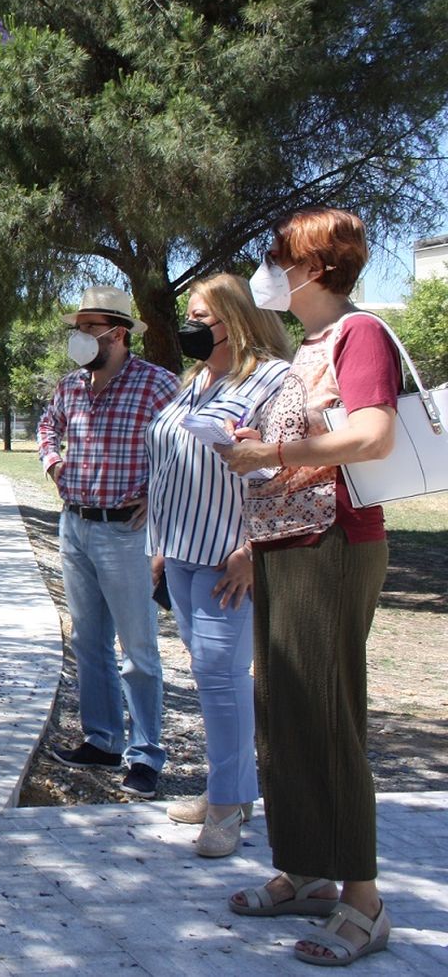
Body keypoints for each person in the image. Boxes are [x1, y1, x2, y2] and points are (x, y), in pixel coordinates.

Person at [218, 209, 400, 967]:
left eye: (279, 257)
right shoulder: (308, 348)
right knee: (284, 713)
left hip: (335, 541)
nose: (269, 269)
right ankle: (307, 871)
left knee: (327, 715)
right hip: (288, 541)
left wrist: (274, 448)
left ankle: (365, 901)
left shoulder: (361, 335)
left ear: (315, 266)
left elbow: (373, 434)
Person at [144, 274, 291, 857]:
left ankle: (227, 807)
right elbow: (171, 466)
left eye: (203, 318)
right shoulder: (194, 380)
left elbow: (287, 472)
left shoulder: (273, 379)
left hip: (228, 559)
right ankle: (230, 788)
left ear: (239, 318)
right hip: (180, 553)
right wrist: (158, 546)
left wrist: (255, 548)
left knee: (221, 683)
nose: (191, 328)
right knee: (212, 682)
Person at [38, 284, 179, 800]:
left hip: (128, 534)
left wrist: (159, 497)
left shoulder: (158, 386)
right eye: (76, 328)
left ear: (117, 334)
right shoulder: (70, 387)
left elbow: (191, 447)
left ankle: (145, 756)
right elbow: (47, 428)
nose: (79, 338)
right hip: (75, 526)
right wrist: (52, 460)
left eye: (88, 329)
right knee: (88, 642)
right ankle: (102, 740)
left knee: (137, 650)